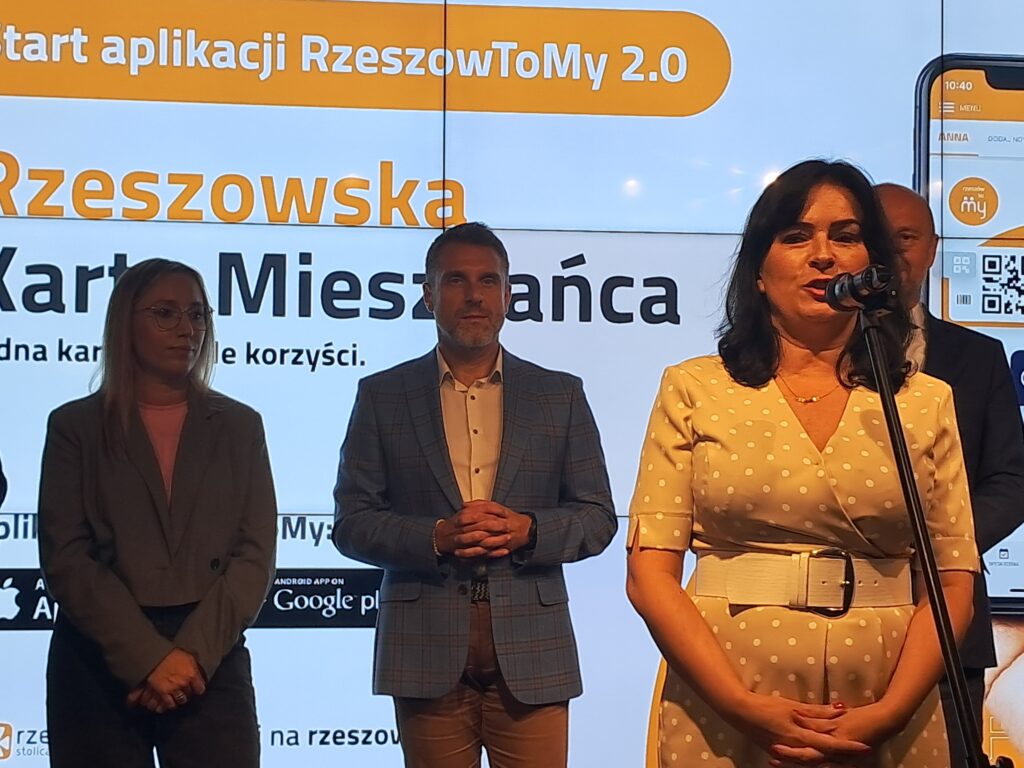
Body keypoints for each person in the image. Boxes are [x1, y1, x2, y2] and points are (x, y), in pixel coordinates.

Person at [626, 160, 979, 767]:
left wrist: (891, 712)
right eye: (796, 236)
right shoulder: (695, 388)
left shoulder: (923, 400)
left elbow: (952, 581)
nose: (823, 256)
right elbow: (649, 575)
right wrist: (739, 705)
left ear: (872, 265)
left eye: (846, 236)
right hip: (728, 690)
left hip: (884, 690)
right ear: (758, 273)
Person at [333, 222, 617, 768]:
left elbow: (598, 517)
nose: (474, 295)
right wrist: (436, 537)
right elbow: (352, 523)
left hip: (533, 649)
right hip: (424, 649)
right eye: (456, 280)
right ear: (428, 294)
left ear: (508, 295)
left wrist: (529, 530)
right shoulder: (382, 395)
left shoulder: (559, 394)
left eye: (488, 281)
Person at [38, 258, 277, 768]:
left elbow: (254, 556)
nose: (187, 329)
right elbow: (67, 558)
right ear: (124, 321)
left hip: (210, 659)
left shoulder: (240, 426)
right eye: (165, 313)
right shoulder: (74, 427)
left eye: (197, 314)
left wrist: (189, 659)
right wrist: (149, 659)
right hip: (97, 659)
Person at [877, 182, 1024, 762]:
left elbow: (1012, 481)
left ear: (932, 249)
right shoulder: (807, 356)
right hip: (828, 621)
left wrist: (937, 544)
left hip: (948, 614)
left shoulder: (979, 356)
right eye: (875, 237)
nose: (892, 253)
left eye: (907, 238)